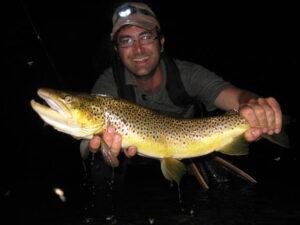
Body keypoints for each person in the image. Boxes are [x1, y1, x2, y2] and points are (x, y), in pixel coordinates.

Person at [80, 1, 282, 197]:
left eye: (146, 36)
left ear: (161, 42)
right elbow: (86, 143)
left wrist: (256, 106)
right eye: (126, 41)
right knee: (99, 165)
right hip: (132, 157)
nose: (138, 49)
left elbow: (235, 96)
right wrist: (92, 147)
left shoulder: (188, 74)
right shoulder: (108, 85)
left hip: (197, 148)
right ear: (117, 50)